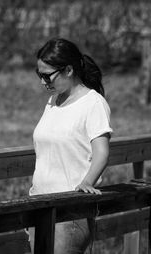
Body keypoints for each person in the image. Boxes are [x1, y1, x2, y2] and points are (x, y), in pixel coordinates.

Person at [28, 38, 113, 254]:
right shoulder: (52, 102)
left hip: (69, 212)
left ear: (68, 70)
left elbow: (101, 153)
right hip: (38, 205)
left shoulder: (93, 104)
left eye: (47, 76)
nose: (42, 82)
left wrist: (86, 183)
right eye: (40, 75)